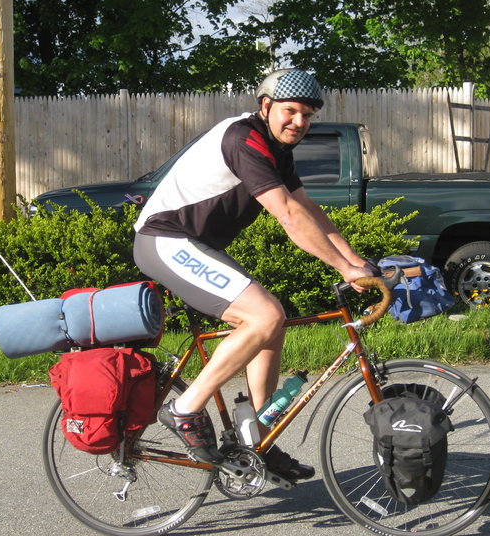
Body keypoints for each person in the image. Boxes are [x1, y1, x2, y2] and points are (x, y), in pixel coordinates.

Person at [133, 68, 375, 481]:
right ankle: (184, 408)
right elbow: (287, 216)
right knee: (262, 316)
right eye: (291, 111)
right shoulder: (243, 139)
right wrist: (343, 268)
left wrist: (355, 260)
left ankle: (257, 439)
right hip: (164, 240)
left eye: (307, 115)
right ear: (266, 106)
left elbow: (307, 208)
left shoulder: (277, 149)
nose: (299, 122)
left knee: (272, 320)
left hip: (195, 244)